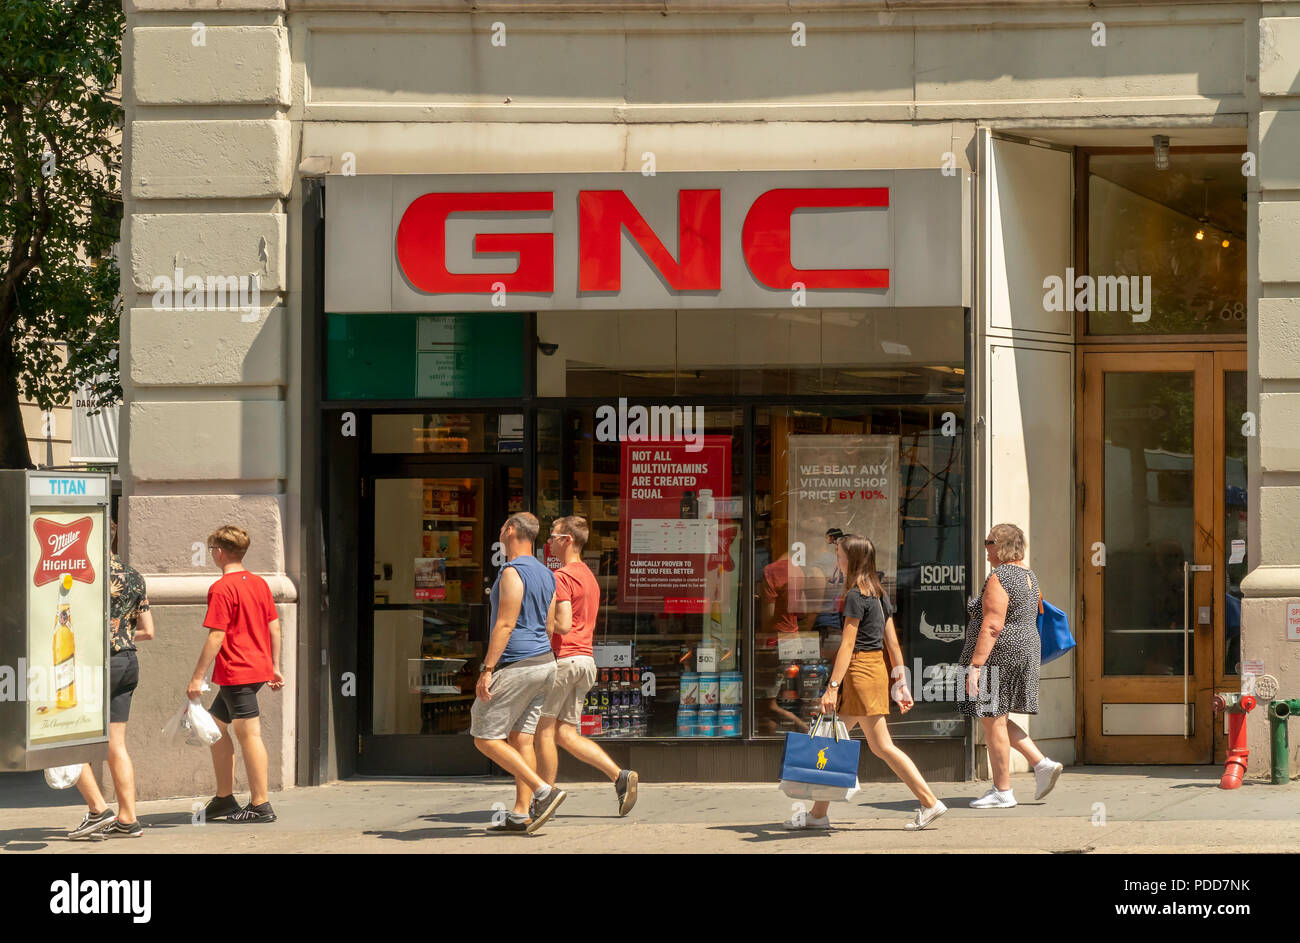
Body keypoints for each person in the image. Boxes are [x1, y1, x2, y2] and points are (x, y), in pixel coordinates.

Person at [785, 534, 948, 831]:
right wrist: (901, 682)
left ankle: (929, 801)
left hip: (859, 671)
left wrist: (832, 688)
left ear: (852, 559)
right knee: (836, 743)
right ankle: (818, 814)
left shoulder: (854, 596)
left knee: (858, 744)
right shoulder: (877, 593)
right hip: (874, 670)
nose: (837, 558)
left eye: (839, 554)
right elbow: (893, 644)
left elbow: (847, 646)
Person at [534, 516, 638, 816]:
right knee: (565, 734)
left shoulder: (561, 577)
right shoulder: (589, 577)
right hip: (585, 662)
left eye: (552, 537)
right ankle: (620, 776)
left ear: (567, 540)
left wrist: (538, 623)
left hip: (563, 659)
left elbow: (561, 625)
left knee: (543, 731)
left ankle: (544, 798)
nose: (548, 542)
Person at [472, 512, 565, 835]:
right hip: (544, 661)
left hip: (517, 663)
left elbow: (505, 624)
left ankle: (544, 791)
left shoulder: (513, 572)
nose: (499, 532)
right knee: (521, 738)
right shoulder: (547, 574)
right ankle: (520, 814)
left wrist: (488, 669)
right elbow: (552, 625)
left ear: (511, 530)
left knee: (484, 737)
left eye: (501, 527)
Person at [959, 523, 1063, 808]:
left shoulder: (1001, 577)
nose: (986, 547)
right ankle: (1040, 764)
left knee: (992, 718)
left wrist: (976, 666)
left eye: (989, 541)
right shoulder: (1028, 576)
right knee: (997, 717)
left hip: (1000, 653)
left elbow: (992, 625)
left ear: (1001, 546)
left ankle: (1002, 790)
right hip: (1025, 649)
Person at [188, 525, 284, 824]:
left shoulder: (222, 587)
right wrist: (275, 666)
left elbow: (216, 635)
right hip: (256, 668)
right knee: (215, 729)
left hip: (237, 670)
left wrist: (197, 678)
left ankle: (260, 805)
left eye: (211, 549)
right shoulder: (258, 583)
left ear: (218, 552)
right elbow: (275, 626)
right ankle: (224, 799)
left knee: (249, 735)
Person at [69, 519, 155, 840]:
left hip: (93, 664)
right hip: (126, 661)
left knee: (67, 741)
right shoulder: (134, 576)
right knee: (116, 744)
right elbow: (148, 630)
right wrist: (120, 633)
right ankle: (128, 819)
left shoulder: (82, 576)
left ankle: (97, 810)